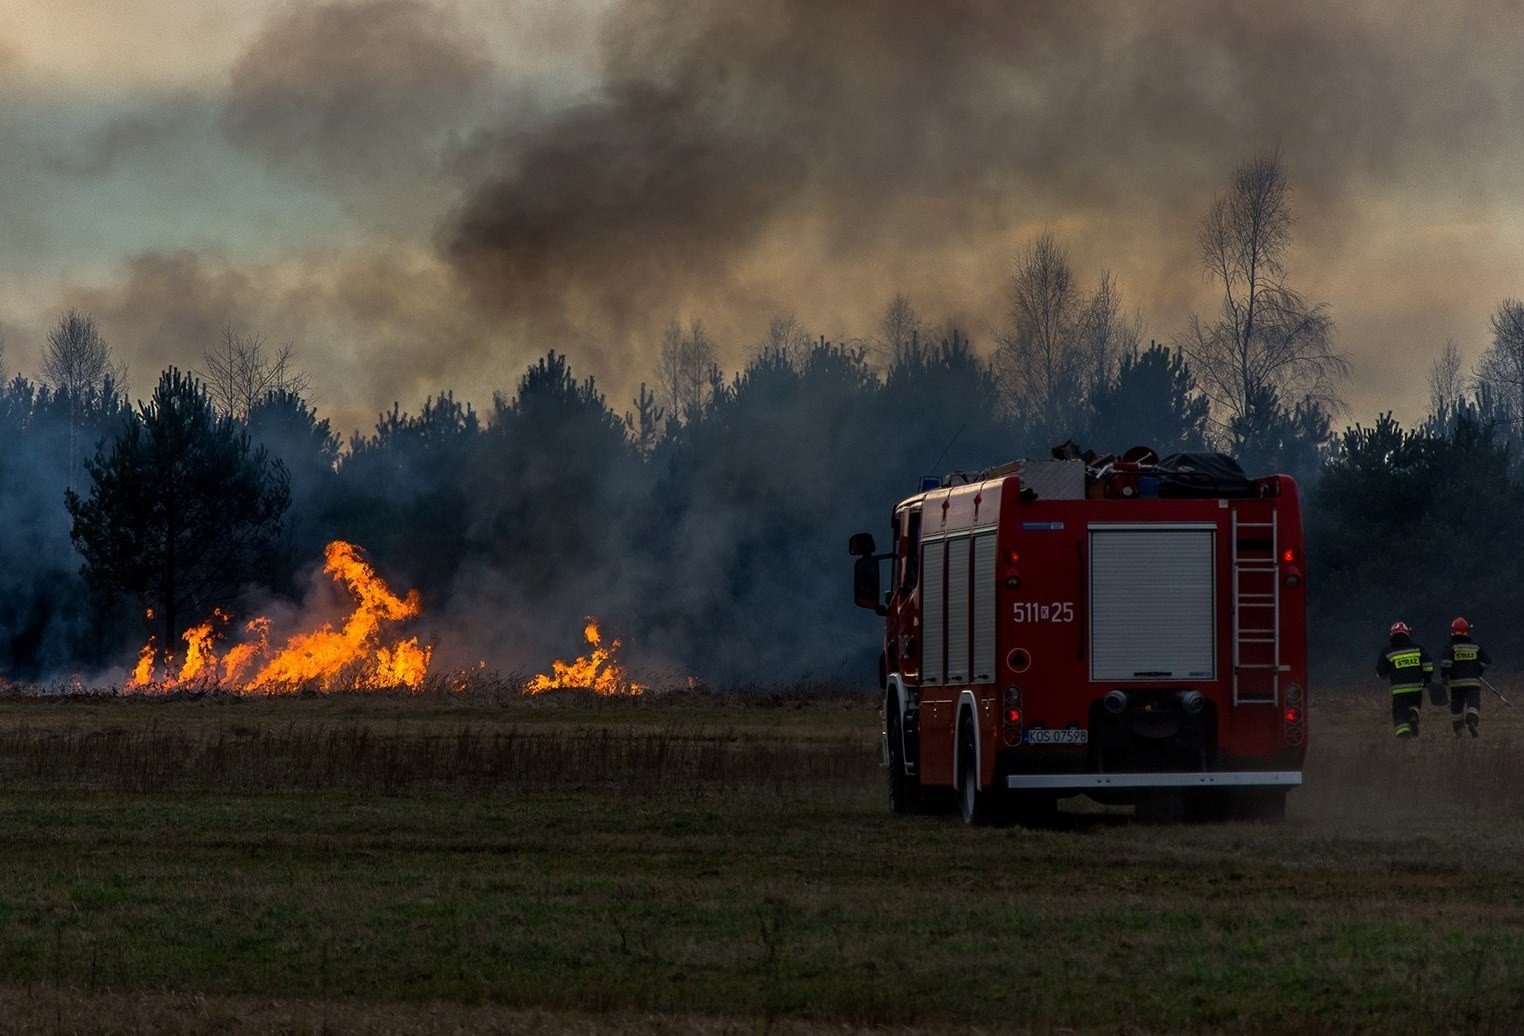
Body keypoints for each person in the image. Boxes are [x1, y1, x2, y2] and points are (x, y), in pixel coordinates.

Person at [1376, 621, 1433, 738]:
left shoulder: (1388, 652)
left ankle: (1404, 736)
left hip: (1399, 691)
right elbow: (1428, 664)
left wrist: (1383, 675)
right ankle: (1413, 715)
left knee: (1399, 711)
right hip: (1416, 687)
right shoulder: (1417, 649)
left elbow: (1380, 671)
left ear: (1392, 635)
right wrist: (1427, 679)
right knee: (1414, 705)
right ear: (1407, 634)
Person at [1441, 617, 1491, 738]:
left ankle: (1458, 730)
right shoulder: (1474, 646)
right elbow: (1487, 662)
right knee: (1473, 702)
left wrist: (1444, 675)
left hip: (1456, 683)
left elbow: (1446, 662)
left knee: (1456, 705)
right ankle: (1471, 719)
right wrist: (1477, 669)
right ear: (1466, 631)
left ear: (1452, 631)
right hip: (1472, 682)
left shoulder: (1451, 646)